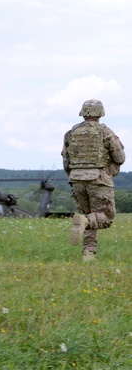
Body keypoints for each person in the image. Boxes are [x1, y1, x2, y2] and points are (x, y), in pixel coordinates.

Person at [61, 99, 125, 261]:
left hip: (76, 179)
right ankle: (85, 221)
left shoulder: (71, 133)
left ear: (83, 112)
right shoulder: (105, 132)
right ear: (101, 113)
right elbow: (119, 157)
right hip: (98, 179)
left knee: (89, 213)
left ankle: (88, 253)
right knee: (106, 216)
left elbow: (66, 161)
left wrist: (75, 175)